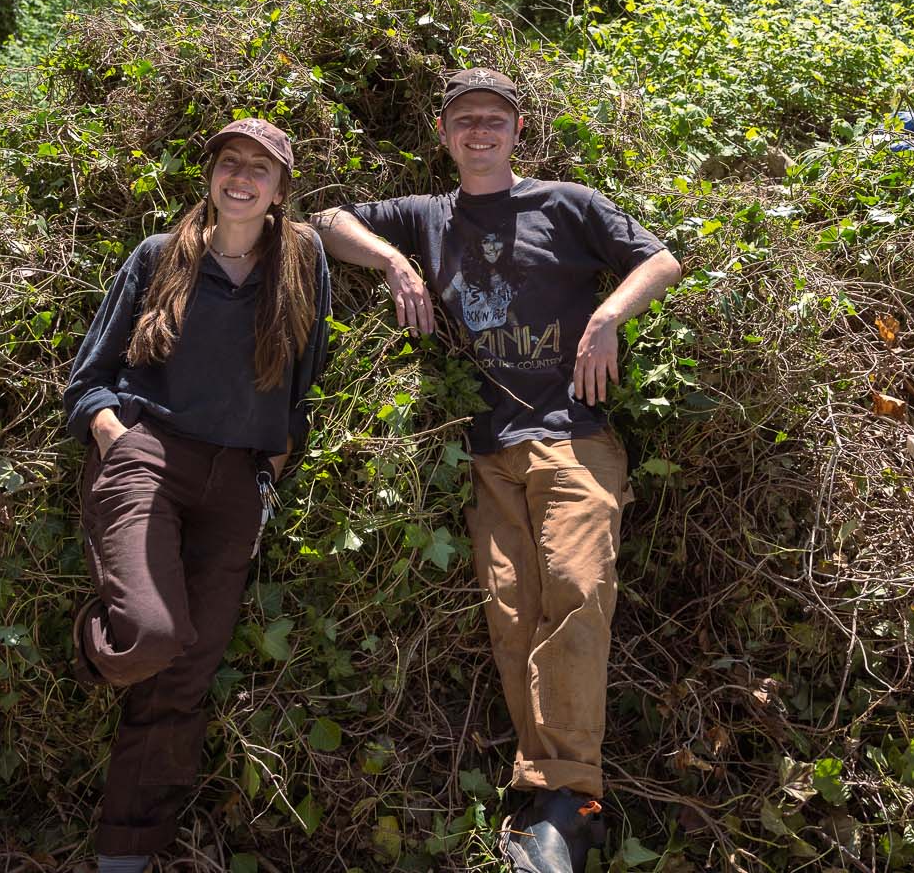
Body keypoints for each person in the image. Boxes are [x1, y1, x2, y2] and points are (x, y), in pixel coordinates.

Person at [310, 68, 682, 873]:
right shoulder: (425, 215)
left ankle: (569, 798)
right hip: (486, 447)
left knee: (578, 589)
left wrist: (609, 316)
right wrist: (396, 265)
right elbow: (326, 219)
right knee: (513, 612)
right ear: (443, 135)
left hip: (573, 433)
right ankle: (548, 800)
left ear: (519, 132)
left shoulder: (567, 204)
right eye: (464, 119)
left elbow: (661, 262)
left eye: (495, 119)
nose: (480, 131)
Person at [62, 118, 331, 873]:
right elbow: (88, 379)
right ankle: (94, 644)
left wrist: (273, 462)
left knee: (186, 675)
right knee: (151, 639)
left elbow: (303, 380)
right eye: (229, 163)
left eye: (260, 170)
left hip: (238, 481)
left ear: (281, 191)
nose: (241, 178)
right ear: (210, 174)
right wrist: (119, 440)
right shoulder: (159, 258)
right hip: (149, 459)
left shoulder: (300, 267)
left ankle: (127, 849)